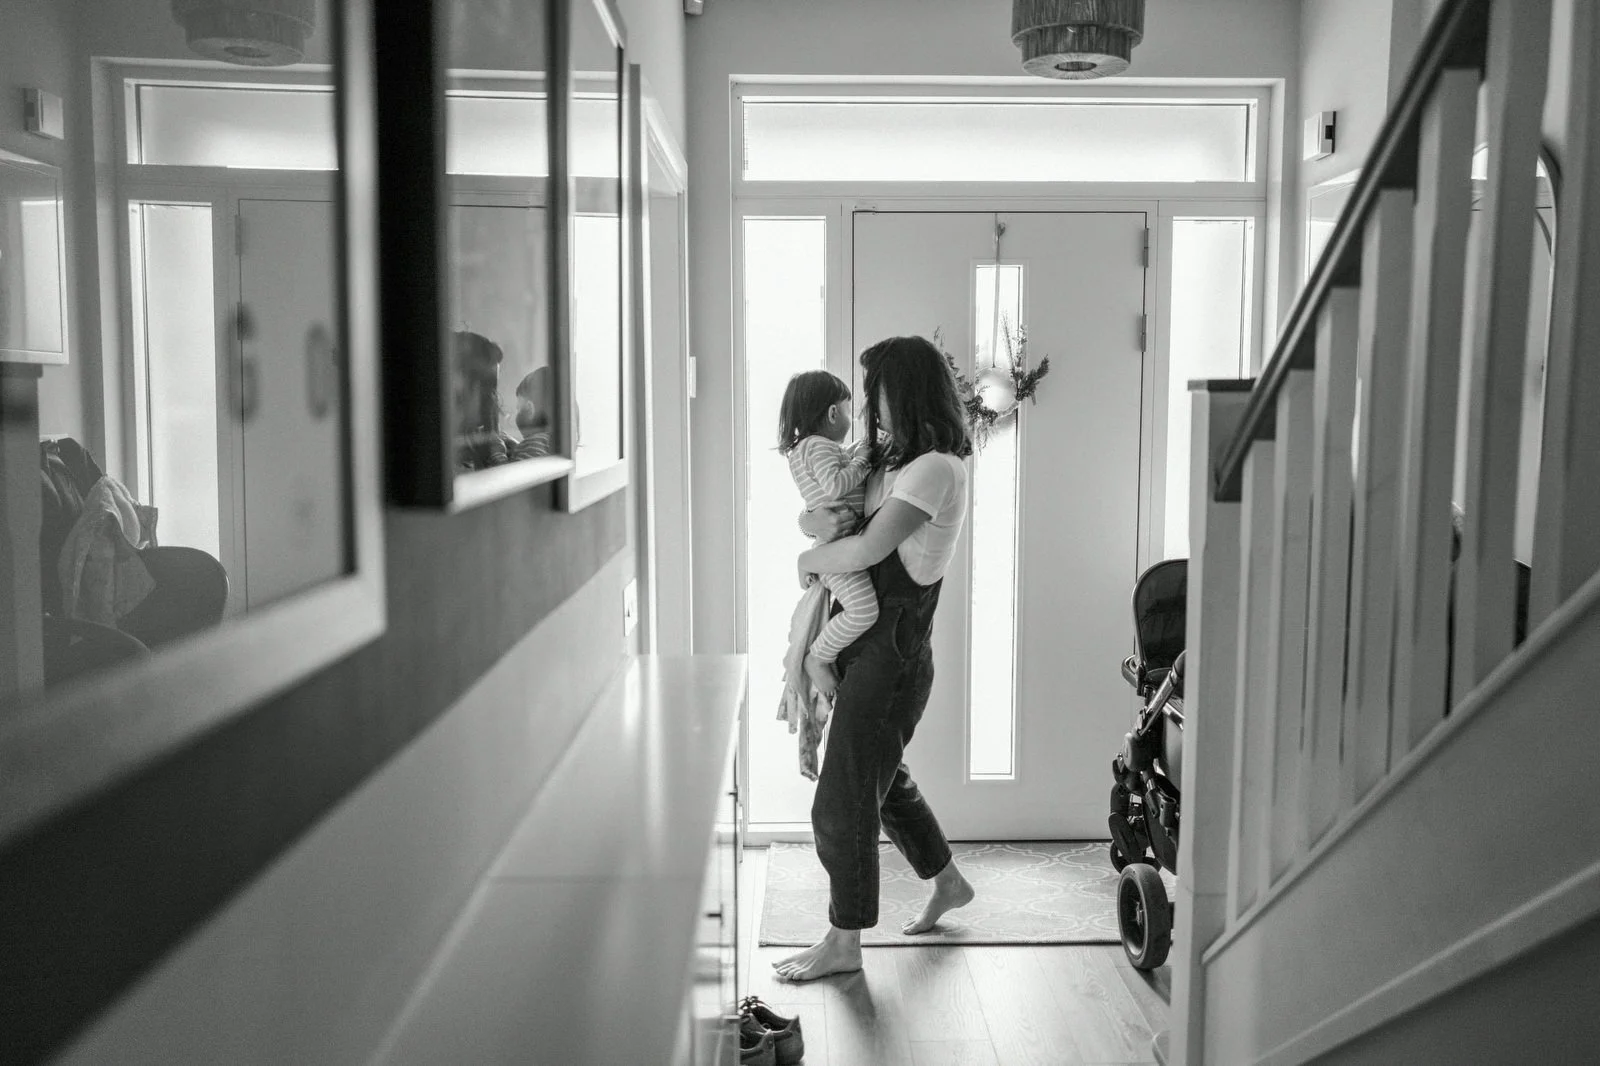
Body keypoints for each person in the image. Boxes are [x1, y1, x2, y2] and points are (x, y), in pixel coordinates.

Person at [774, 336, 978, 983]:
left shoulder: (935, 469)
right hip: (875, 645)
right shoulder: (901, 462)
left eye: (879, 394)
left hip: (894, 654)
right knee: (881, 786)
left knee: (842, 799)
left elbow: (862, 551)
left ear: (909, 390)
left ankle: (845, 941)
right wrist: (815, 535)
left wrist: (807, 561)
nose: (871, 408)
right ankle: (948, 880)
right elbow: (830, 521)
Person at [777, 370, 877, 699]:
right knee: (864, 610)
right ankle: (818, 658)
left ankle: (820, 656)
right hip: (836, 550)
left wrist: (857, 451)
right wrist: (863, 461)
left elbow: (830, 479)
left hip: (832, 547)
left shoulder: (807, 449)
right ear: (833, 413)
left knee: (861, 609)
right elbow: (835, 485)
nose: (854, 418)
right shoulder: (818, 447)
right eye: (849, 410)